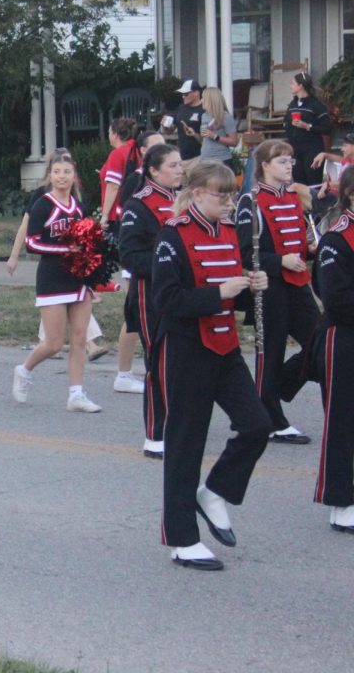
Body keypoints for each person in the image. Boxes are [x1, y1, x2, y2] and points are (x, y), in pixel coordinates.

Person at [152, 160, 271, 571]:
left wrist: (249, 286)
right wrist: (220, 292)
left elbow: (227, 291)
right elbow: (167, 302)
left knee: (257, 425)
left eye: (232, 194)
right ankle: (182, 540)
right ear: (198, 193)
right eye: (221, 195)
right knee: (186, 444)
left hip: (225, 345)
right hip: (186, 349)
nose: (228, 202)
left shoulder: (229, 232)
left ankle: (215, 490)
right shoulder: (173, 235)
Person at [235, 140, 317, 445]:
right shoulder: (251, 202)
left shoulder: (292, 197)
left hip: (297, 283)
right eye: (282, 161)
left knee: (318, 341)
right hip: (269, 286)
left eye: (291, 160)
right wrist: (279, 260)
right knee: (270, 351)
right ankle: (270, 416)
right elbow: (244, 253)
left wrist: (307, 250)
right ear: (265, 166)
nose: (289, 166)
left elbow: (294, 242)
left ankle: (275, 388)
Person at [11, 149, 101, 413]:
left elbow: (87, 245)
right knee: (52, 343)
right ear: (50, 175)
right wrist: (65, 250)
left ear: (74, 176)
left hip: (78, 280)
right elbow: (32, 242)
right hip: (52, 278)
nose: (62, 176)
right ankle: (24, 370)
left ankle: (76, 393)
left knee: (80, 338)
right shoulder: (44, 204)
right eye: (57, 172)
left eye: (67, 172)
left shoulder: (80, 207)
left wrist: (93, 278)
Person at [119, 144, 184, 458]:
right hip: (152, 295)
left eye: (180, 164)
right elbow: (130, 255)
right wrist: (167, 267)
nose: (179, 169)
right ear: (154, 171)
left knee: (182, 363)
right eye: (172, 165)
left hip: (183, 294)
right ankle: (155, 433)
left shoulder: (182, 200)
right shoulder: (138, 205)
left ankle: (180, 424)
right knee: (158, 362)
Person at [312, 166, 354, 532]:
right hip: (345, 336)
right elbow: (335, 299)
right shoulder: (337, 238)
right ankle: (341, 501)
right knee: (343, 420)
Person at [98, 118, 143, 394]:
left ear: (113, 133)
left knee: (135, 305)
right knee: (136, 305)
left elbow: (113, 187)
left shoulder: (119, 153)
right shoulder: (135, 153)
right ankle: (125, 371)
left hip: (122, 221)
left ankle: (124, 372)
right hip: (133, 225)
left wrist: (104, 215)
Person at [284, 71, 330, 187]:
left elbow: (326, 128)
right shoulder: (292, 105)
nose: (291, 85)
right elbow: (287, 122)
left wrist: (308, 126)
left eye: (293, 83)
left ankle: (315, 205)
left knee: (313, 183)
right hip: (296, 150)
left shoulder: (316, 105)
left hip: (312, 150)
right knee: (299, 183)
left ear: (301, 86)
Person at [166, 79, 205, 162]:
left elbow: (206, 139)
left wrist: (194, 134)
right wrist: (165, 125)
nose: (183, 96)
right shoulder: (181, 108)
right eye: (182, 94)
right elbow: (169, 131)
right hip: (182, 157)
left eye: (186, 94)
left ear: (196, 93)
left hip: (198, 157)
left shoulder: (204, 110)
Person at [198, 87, 239, 164]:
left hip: (221, 160)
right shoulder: (204, 115)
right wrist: (194, 134)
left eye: (203, 98)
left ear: (210, 100)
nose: (201, 101)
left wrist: (215, 136)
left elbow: (234, 142)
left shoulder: (225, 116)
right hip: (205, 159)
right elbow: (205, 140)